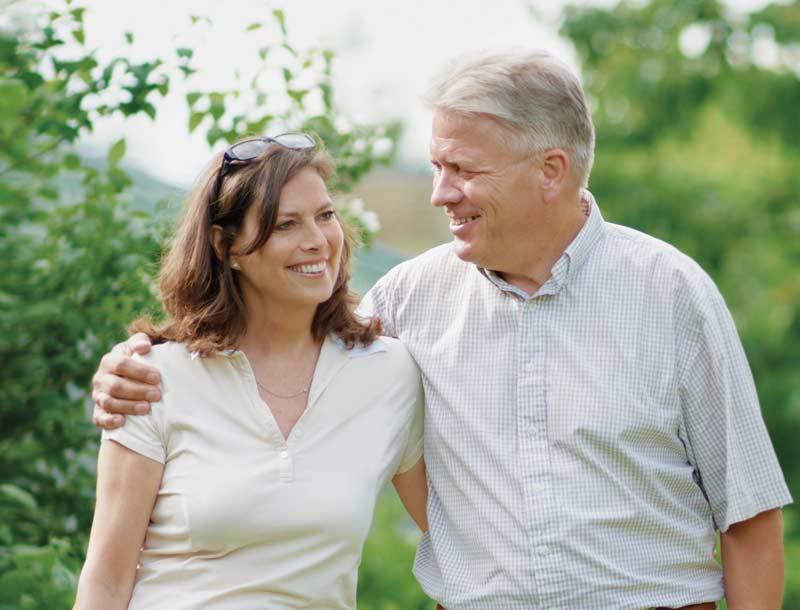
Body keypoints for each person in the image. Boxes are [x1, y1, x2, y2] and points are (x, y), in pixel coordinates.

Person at [90, 51, 792, 610]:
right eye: (435, 166)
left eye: (463, 169)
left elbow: (750, 514)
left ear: (551, 171)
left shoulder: (671, 294)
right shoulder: (406, 304)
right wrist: (130, 364)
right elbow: (280, 336)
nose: (439, 192)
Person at [74, 135, 427, 610]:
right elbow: (105, 583)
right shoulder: (151, 380)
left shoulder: (388, 374)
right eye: (287, 224)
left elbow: (455, 535)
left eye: (325, 215)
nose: (318, 241)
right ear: (228, 246)